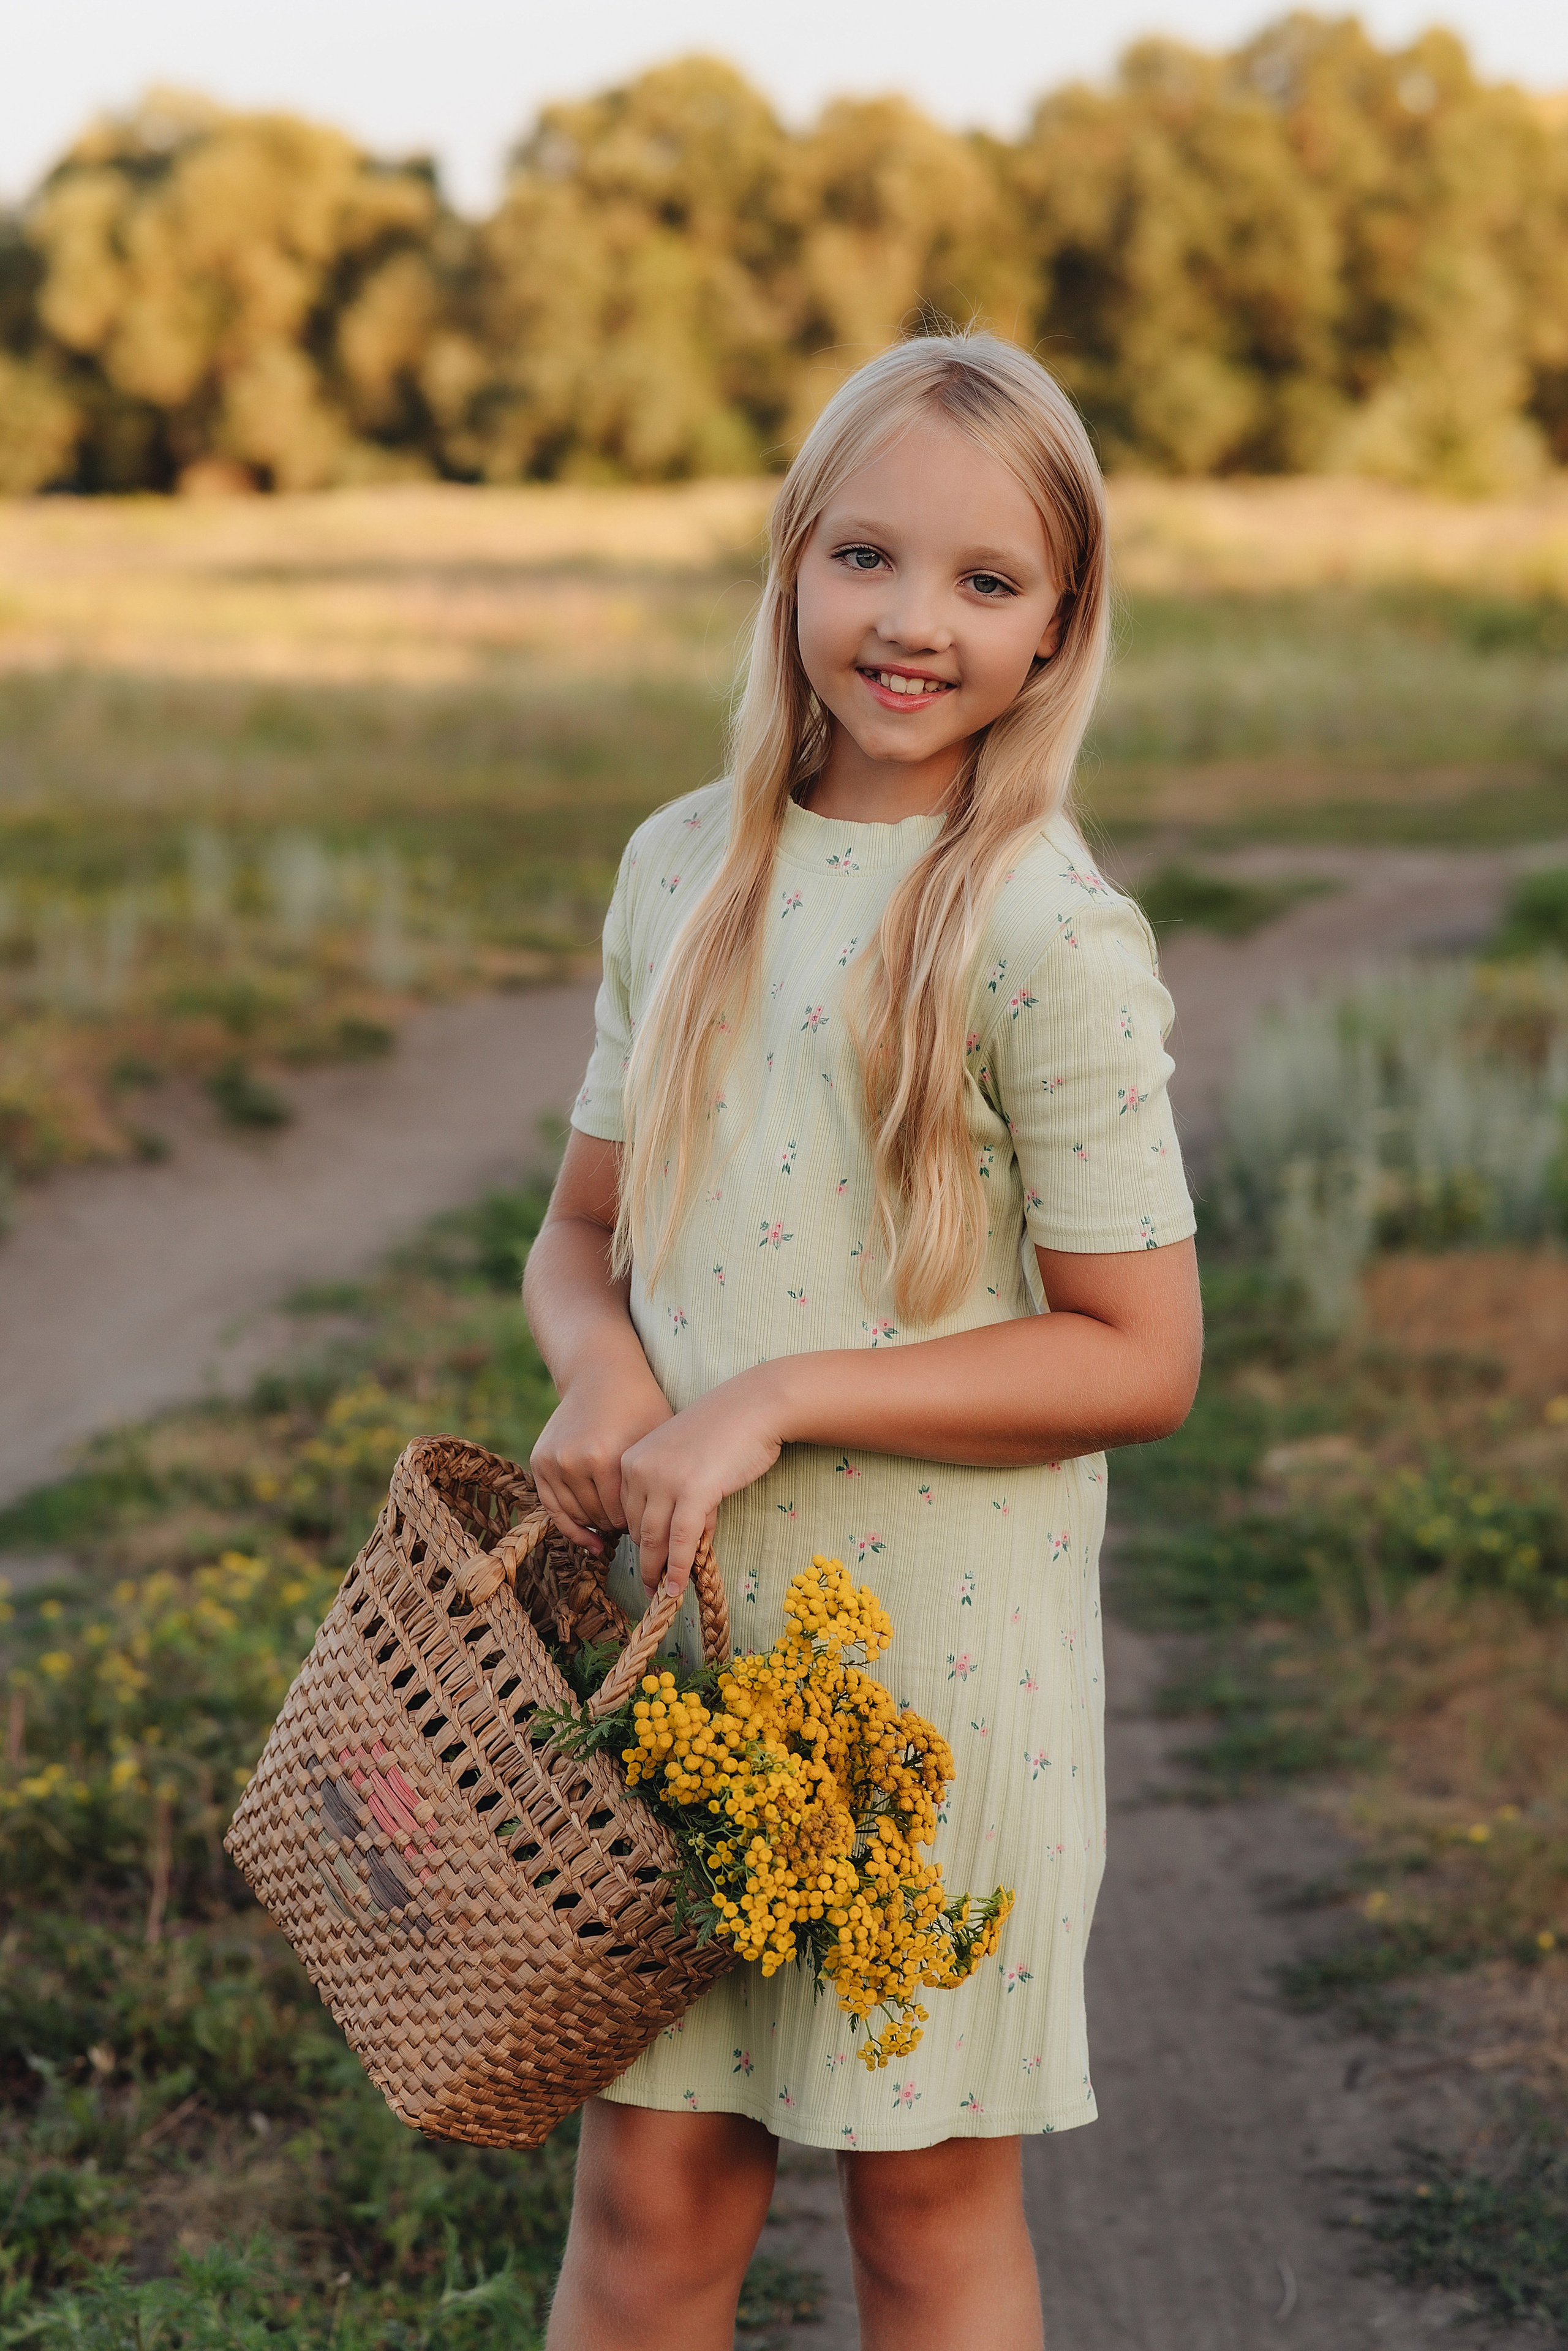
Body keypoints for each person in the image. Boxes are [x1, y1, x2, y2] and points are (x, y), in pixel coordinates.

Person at [523, 330, 1203, 2351]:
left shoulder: (1045, 931)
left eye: (988, 585)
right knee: (649, 2194)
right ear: (794, 558)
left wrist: (778, 1392)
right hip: (687, 1647)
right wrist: (603, 1371)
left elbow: (1140, 1355)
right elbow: (578, 1233)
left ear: (1062, 623)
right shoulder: (684, 869)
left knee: (921, 2210)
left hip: (941, 1679)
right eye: (869, 559)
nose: (913, 625)